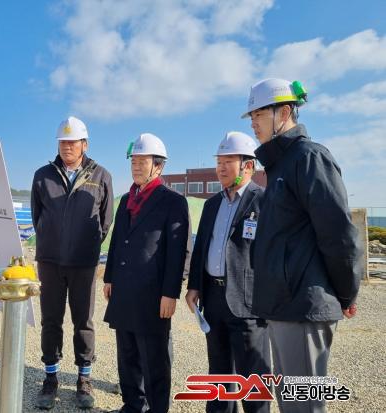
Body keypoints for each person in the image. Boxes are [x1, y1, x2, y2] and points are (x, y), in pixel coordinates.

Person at [242, 78, 363, 412]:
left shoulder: (309, 158)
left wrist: (346, 293)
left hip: (303, 307)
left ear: (284, 113)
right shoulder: (279, 166)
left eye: (259, 114)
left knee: (303, 406)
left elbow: (338, 235)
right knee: (291, 403)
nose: (253, 123)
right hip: (284, 306)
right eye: (251, 116)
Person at [31, 116, 114, 410]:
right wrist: (52, 241)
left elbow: (105, 221)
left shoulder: (101, 176)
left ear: (84, 144)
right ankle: (50, 378)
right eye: (62, 142)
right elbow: (37, 216)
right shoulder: (43, 176)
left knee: (84, 321)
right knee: (50, 320)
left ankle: (83, 378)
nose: (67, 146)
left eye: (72, 142)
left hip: (83, 263)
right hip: (50, 262)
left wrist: (85, 245)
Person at [185, 131, 270, 413]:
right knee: (219, 373)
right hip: (214, 299)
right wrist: (195, 286)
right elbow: (201, 248)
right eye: (218, 162)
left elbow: (272, 254)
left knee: (252, 378)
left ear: (248, 165)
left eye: (228, 162)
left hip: (248, 303)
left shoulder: (264, 201)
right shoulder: (212, 204)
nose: (220, 168)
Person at [104, 133, 189, 413]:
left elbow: (178, 252)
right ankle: (132, 405)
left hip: (152, 293)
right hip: (124, 288)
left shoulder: (172, 201)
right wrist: (109, 277)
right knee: (127, 353)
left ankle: (157, 408)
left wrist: (170, 293)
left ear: (159, 166)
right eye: (133, 161)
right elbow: (117, 241)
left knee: (154, 357)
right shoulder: (127, 199)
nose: (136, 166)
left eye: (143, 161)